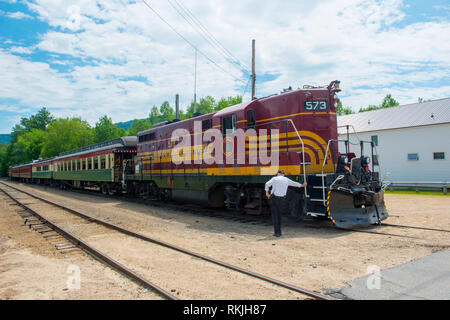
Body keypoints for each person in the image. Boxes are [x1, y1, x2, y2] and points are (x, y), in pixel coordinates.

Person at [265, 170, 307, 237]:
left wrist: (267, 193)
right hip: (281, 199)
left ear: (278, 174)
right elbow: (294, 183)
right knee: (279, 215)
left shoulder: (274, 178)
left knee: (275, 215)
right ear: (283, 174)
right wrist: (302, 185)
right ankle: (279, 232)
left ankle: (276, 232)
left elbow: (267, 184)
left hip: (274, 198)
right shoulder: (286, 179)